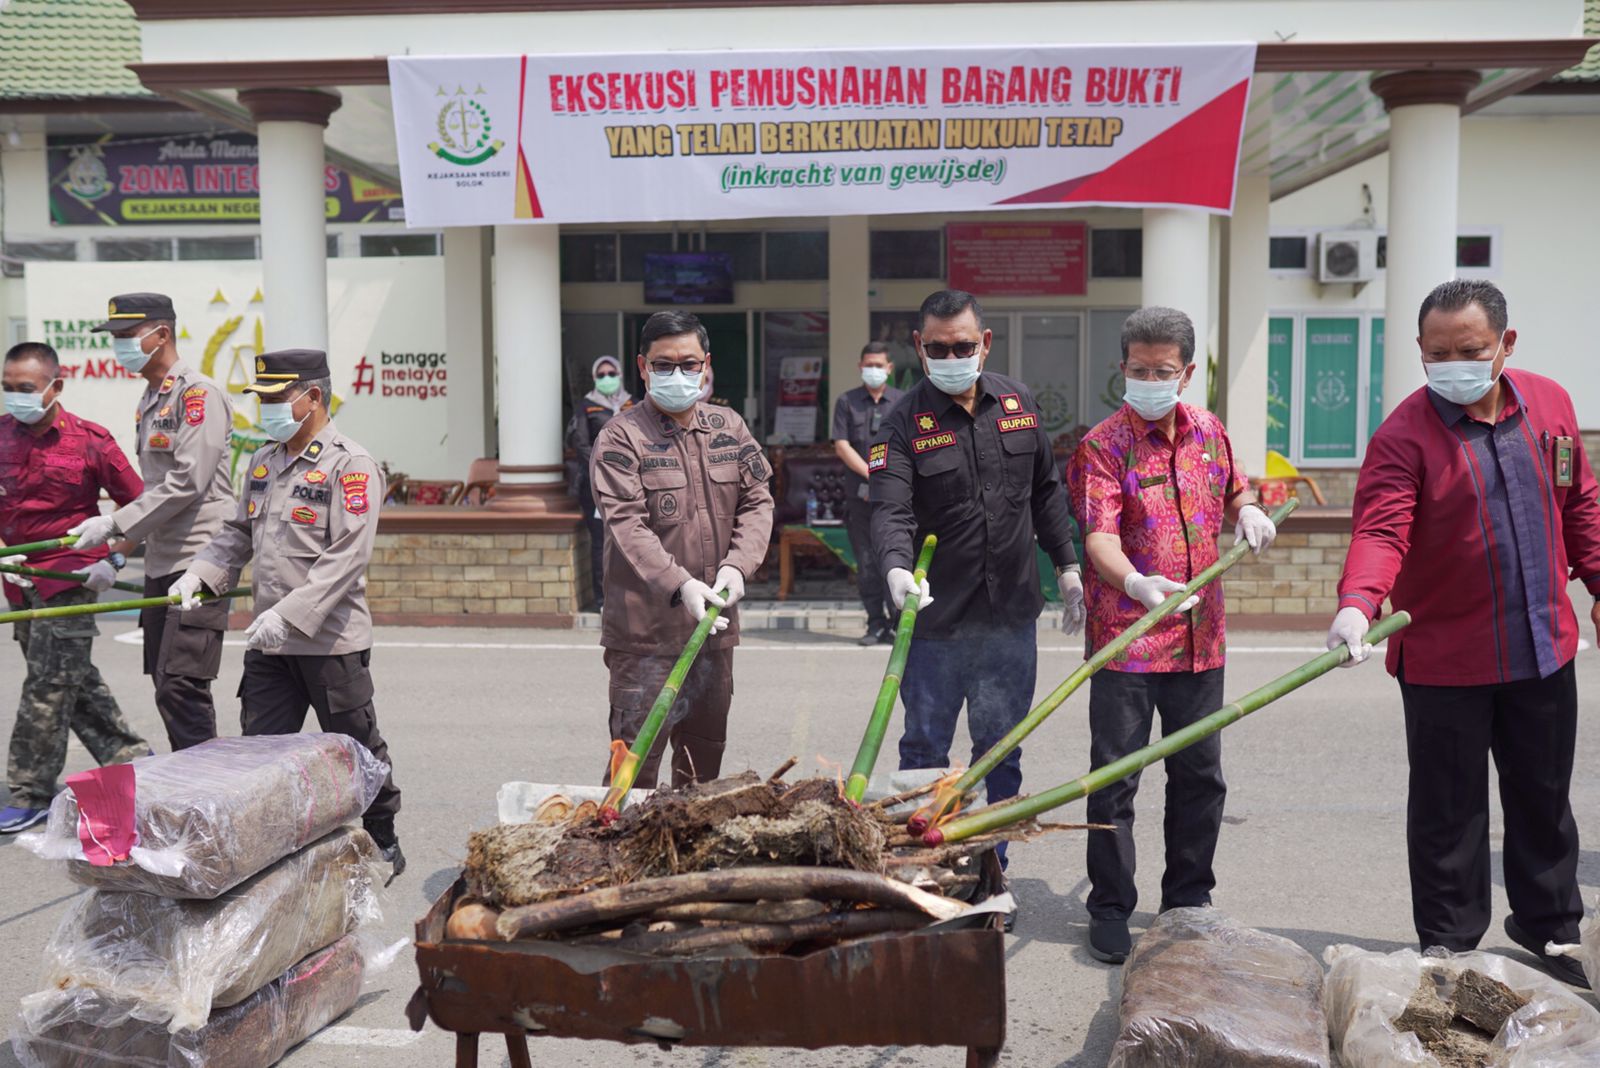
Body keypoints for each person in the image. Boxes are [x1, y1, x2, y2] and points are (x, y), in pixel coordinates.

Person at [1327, 279, 1600, 988]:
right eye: (1438, 353)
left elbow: (1582, 507)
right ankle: (1448, 943)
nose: (1454, 364)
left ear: (1506, 345)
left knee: (1543, 796)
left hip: (1542, 646)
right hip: (1446, 659)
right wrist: (1358, 601)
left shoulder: (1552, 405)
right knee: (1449, 812)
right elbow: (1382, 528)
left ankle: (1552, 928)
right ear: (1420, 352)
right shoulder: (1404, 435)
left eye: (1470, 350)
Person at [1066, 305, 1277, 965]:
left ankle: (1189, 899)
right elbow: (1099, 535)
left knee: (1200, 775)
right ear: (1121, 368)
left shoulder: (1210, 431)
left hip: (1199, 640)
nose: (1150, 380)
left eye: (1163, 371)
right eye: (1138, 369)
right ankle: (1109, 908)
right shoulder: (1102, 445)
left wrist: (1250, 514)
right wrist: (1134, 584)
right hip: (1126, 637)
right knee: (1116, 778)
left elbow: (1235, 492)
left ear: (1186, 373)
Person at [870, 289, 1085, 877]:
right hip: (936, 624)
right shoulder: (899, 425)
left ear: (984, 343)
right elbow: (890, 511)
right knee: (924, 755)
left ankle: (992, 866)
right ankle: (927, 867)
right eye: (937, 347)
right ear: (919, 347)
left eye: (962, 345)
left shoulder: (1017, 403)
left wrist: (1067, 568)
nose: (951, 355)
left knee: (1001, 755)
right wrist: (894, 569)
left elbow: (1046, 491)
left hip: (1010, 619)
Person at [174, 349, 405, 880]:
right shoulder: (263, 461)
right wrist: (201, 573)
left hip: (329, 643)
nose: (267, 409)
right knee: (260, 754)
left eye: (277, 398)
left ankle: (383, 836)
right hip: (271, 646)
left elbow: (349, 554)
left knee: (355, 747)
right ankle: (270, 851)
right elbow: (236, 534)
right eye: (263, 399)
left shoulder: (351, 465)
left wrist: (289, 613)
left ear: (313, 398)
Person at [589, 310, 774, 787]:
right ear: (643, 367)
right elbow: (626, 525)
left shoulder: (728, 427)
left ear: (705, 365)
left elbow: (758, 501)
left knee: (701, 770)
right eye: (664, 364)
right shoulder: (620, 437)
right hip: (645, 636)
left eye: (688, 364)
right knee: (634, 771)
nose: (678, 374)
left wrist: (738, 566)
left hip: (714, 631)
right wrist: (681, 584)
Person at [69, 293, 234, 752]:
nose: (118, 347)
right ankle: (195, 782)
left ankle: (209, 791)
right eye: (115, 338)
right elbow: (157, 491)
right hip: (164, 558)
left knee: (182, 685)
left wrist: (114, 524)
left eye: (126, 336)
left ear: (161, 334)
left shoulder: (198, 395)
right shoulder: (150, 398)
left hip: (200, 559)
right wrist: (117, 558)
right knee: (166, 684)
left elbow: (187, 483)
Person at [0, 342, 151, 832]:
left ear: (54, 387)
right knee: (71, 678)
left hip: (73, 577)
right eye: (6, 389)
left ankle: (29, 790)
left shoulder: (90, 441)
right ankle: (132, 759)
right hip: (20, 582)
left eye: (24, 389)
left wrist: (116, 556)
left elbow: (141, 509)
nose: (14, 398)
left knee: (47, 685)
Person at [831, 341, 904, 645]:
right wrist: (872, 474)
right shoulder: (847, 402)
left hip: (896, 499)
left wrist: (888, 478)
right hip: (859, 498)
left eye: (879, 365)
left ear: (889, 369)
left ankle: (900, 624)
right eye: (868, 365)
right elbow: (841, 444)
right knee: (868, 563)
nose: (874, 370)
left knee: (897, 559)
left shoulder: (902, 401)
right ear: (860, 367)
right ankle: (876, 623)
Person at [566, 355, 634, 609]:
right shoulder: (587, 406)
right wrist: (604, 466)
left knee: (630, 539)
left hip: (629, 485)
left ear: (620, 375)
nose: (607, 378)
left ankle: (630, 597)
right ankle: (603, 598)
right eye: (602, 375)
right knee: (602, 541)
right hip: (597, 484)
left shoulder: (633, 404)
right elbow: (581, 443)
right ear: (595, 378)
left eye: (611, 373)